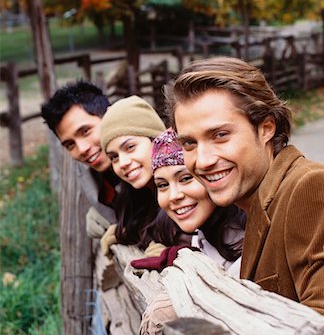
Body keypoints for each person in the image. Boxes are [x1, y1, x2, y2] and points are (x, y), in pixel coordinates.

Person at [165, 56, 324, 319]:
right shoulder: (249, 204)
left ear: (266, 128)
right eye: (189, 143)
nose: (203, 160)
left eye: (220, 135)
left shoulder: (311, 186)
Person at [151, 127, 245, 275]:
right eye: (162, 185)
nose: (174, 195)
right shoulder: (200, 236)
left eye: (186, 178)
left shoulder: (252, 242)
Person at [99, 95, 186, 256]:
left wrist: (174, 252)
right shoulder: (138, 198)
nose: (123, 162)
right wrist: (124, 233)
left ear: (156, 140)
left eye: (130, 147)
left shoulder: (188, 187)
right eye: (114, 157)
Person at [41, 80, 119, 239]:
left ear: (110, 116)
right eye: (70, 144)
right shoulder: (96, 180)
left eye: (85, 131)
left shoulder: (153, 165)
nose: (82, 149)